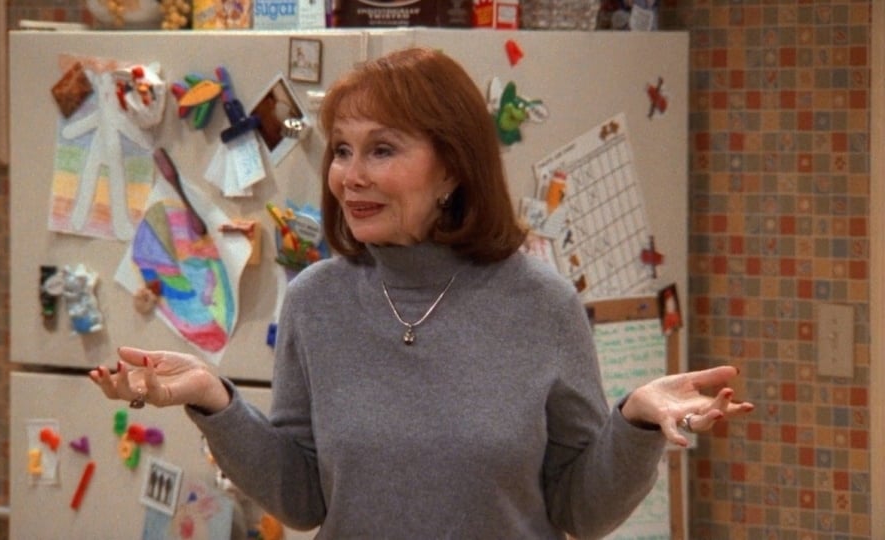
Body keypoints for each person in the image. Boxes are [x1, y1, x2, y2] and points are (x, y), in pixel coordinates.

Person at [90, 47, 754, 539]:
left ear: (452, 170)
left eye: (382, 150)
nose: (350, 176)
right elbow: (303, 498)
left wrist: (635, 421)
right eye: (342, 150)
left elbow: (579, 508)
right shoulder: (316, 301)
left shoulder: (542, 304)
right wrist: (213, 399)